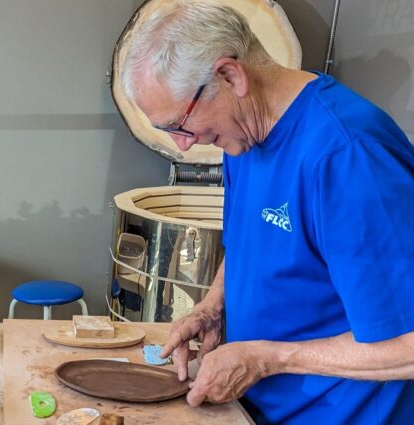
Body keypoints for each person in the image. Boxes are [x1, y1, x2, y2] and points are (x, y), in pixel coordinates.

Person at [120, 2, 414, 424]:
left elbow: (408, 343)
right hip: (256, 408)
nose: (183, 145)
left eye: (179, 125)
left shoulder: (348, 156)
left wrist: (267, 359)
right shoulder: (242, 137)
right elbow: (247, 242)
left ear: (229, 76)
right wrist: (211, 308)